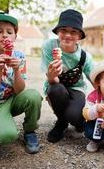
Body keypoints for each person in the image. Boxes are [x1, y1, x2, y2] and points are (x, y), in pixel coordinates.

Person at [0, 11, 43, 154]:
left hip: (12, 99)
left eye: (9, 32)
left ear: (15, 37)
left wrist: (17, 70)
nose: (4, 35)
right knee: (6, 136)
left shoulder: (19, 56)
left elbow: (19, 90)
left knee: (33, 96)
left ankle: (30, 131)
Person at [41, 9, 94, 143]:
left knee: (74, 116)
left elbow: (95, 80)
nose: (67, 35)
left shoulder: (84, 56)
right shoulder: (49, 46)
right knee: (55, 89)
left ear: (79, 36)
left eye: (73, 32)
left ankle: (79, 122)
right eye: (63, 30)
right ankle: (61, 123)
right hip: (56, 86)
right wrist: (52, 75)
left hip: (77, 89)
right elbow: (52, 81)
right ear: (58, 32)